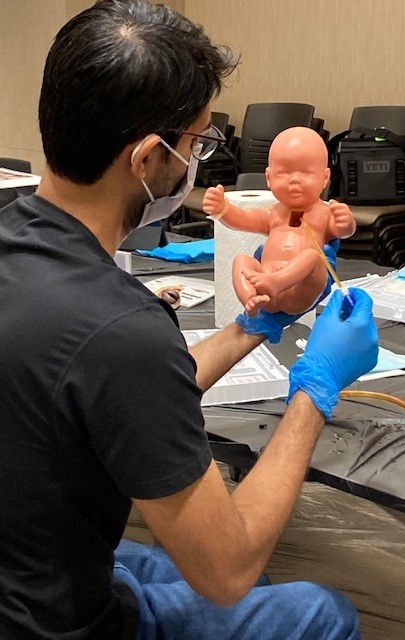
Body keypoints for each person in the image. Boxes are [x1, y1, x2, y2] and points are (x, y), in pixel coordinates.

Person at [0, 1, 378, 639]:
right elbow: (226, 570)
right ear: (149, 158)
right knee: (316, 608)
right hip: (52, 621)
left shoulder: (22, 250)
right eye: (198, 143)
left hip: (23, 558)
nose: (198, 159)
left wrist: (250, 329)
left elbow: (115, 389)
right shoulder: (120, 328)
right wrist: (316, 387)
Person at [202, 127, 356, 315]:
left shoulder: (324, 213)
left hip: (300, 289)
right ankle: (250, 298)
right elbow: (244, 219)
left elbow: (342, 231)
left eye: (306, 172)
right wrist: (223, 209)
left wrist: (345, 221)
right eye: (284, 173)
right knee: (241, 260)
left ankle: (276, 282)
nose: (294, 180)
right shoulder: (273, 213)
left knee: (313, 255)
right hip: (265, 286)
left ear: (325, 178)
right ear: (269, 177)